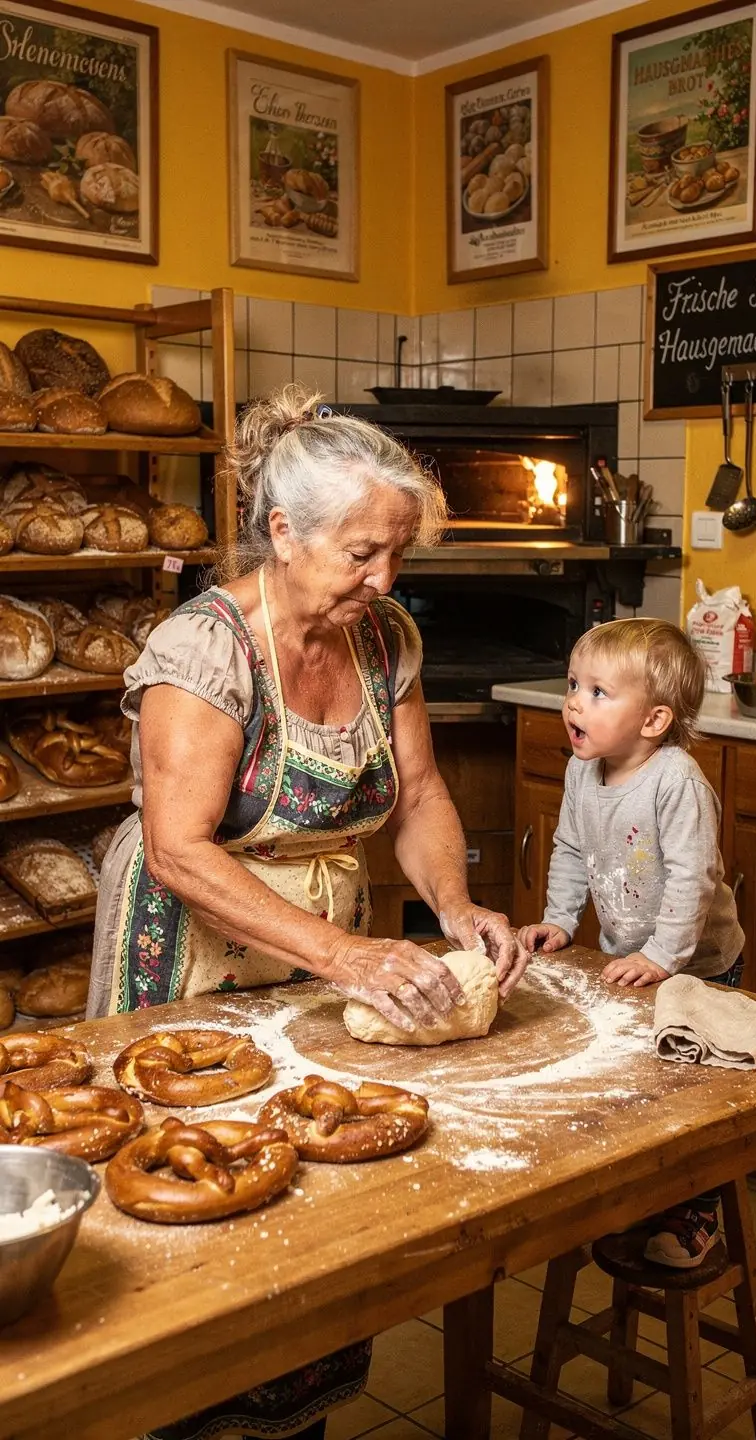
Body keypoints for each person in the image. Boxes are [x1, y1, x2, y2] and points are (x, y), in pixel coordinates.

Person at [87, 384, 527, 1439]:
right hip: (190, 948)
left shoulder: (383, 639)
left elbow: (418, 795)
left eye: (398, 554)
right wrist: (347, 956)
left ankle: (294, 1416)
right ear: (283, 534)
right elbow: (179, 848)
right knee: (193, 1195)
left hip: (321, 951)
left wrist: (456, 906)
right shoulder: (205, 649)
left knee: (308, 1193)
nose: (385, 581)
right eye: (362, 554)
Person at [518, 617, 744, 1269]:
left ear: (653, 721)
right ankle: (649, 1202)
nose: (574, 703)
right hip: (637, 962)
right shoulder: (581, 772)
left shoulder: (676, 782)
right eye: (572, 685)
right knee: (646, 1086)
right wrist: (560, 920)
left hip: (700, 966)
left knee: (693, 1094)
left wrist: (663, 957)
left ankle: (697, 1216)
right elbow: (569, 848)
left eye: (597, 692)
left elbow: (693, 877)